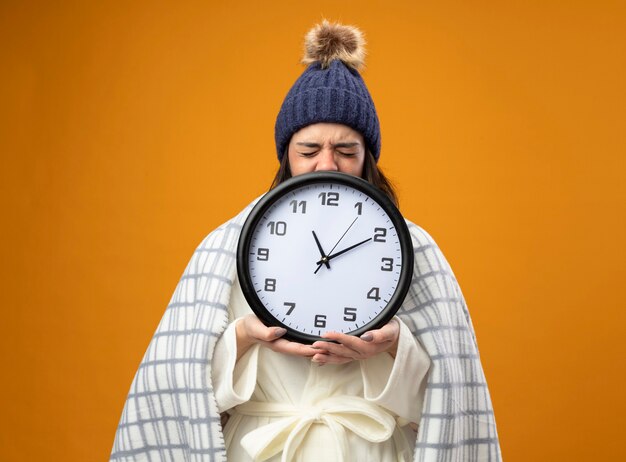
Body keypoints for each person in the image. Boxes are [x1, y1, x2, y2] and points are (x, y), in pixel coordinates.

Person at [111, 21, 501, 462]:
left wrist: (395, 346)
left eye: (346, 151)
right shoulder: (225, 247)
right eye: (309, 149)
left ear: (368, 157)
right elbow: (177, 390)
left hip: (369, 451)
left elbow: (450, 400)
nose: (326, 163)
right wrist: (242, 337)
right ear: (286, 154)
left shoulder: (415, 249)